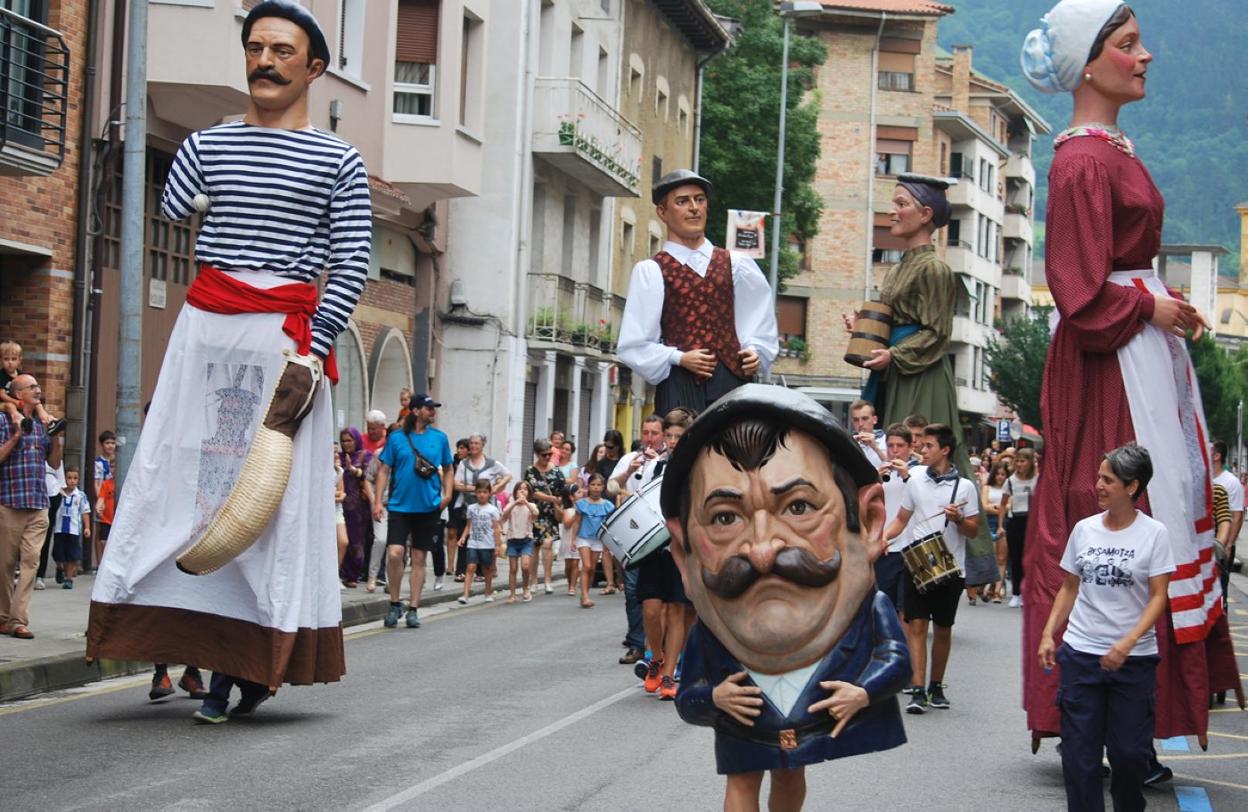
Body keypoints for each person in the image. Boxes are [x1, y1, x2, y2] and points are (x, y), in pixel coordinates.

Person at [86, 0, 369, 724]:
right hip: (207, 331)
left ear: (314, 68)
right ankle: (185, 642)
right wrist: (188, 148)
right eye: (255, 47)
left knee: (269, 502)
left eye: (283, 50)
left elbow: (351, 262)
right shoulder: (207, 144)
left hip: (284, 339)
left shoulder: (339, 160)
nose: (266, 61)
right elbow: (175, 206)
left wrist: (312, 351)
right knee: (185, 481)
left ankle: (250, 659)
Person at [1019, 0, 1230, 757]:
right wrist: (1151, 304)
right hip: (1109, 362)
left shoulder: (1111, 149)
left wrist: (1157, 305)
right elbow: (1077, 288)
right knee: (1115, 504)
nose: (1145, 57)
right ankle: (1105, 711)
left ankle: (1128, 715)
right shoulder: (1082, 158)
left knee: (1152, 508)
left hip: (1135, 348)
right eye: (1130, 44)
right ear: (1091, 61)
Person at [661, 385, 909, 812]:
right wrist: (713, 699)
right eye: (724, 518)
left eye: (798, 508)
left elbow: (897, 661)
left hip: (807, 724)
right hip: (744, 726)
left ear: (868, 523)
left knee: (791, 773)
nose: (761, 552)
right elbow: (689, 696)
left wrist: (863, 693)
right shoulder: (712, 633)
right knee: (741, 780)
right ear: (684, 554)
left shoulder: (871, 614)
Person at [1038, 444, 1174, 812]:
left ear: (1132, 487)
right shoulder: (1084, 530)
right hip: (1082, 655)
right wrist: (1050, 632)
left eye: (1107, 479)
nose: (1096, 485)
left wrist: (1128, 643)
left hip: (1134, 663)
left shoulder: (1154, 534)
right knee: (1079, 758)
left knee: (1129, 756)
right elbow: (1069, 585)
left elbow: (1159, 597)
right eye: (1098, 477)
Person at [618, 169, 779, 416]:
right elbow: (634, 344)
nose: (694, 208)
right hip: (679, 386)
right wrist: (678, 358)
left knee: (738, 450)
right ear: (662, 212)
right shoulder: (652, 270)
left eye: (700, 199)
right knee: (683, 451)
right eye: (682, 201)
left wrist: (755, 351)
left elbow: (759, 320)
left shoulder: (737, 264)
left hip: (732, 383)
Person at [884, 423, 979, 714]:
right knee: (916, 625)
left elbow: (973, 531)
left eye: (927, 446)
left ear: (945, 450)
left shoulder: (964, 487)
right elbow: (901, 519)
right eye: (920, 445)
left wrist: (960, 519)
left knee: (943, 629)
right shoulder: (914, 481)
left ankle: (936, 685)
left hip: (950, 569)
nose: (921, 450)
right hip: (917, 563)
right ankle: (918, 689)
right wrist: (880, 540)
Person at [374, 394, 454, 629]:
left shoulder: (440, 439)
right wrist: (378, 502)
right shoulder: (397, 438)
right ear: (416, 411)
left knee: (419, 558)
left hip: (428, 507)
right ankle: (395, 602)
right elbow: (383, 470)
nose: (434, 413)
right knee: (395, 554)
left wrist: (447, 494)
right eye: (430, 409)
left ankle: (413, 608)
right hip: (400, 506)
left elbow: (449, 468)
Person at [634, 407, 696, 700]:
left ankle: (669, 674)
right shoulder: (652, 467)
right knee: (650, 609)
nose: (672, 441)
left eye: (678, 436)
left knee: (677, 611)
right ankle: (656, 657)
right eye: (669, 436)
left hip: (682, 547)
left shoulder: (698, 468)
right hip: (654, 547)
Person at [0, 374, 64, 639]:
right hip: (9, 503)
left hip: (38, 505)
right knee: (4, 564)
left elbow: (55, 464)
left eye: (38, 386)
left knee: (30, 562)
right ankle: (3, 617)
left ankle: (18, 620)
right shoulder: (4, 421)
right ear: (18, 395)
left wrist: (57, 438)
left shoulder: (42, 423)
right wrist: (16, 436)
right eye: (32, 387)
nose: (38, 390)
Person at [610, 414, 663, 664]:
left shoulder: (666, 460)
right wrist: (627, 473)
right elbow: (610, 487)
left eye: (654, 433)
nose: (649, 438)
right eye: (645, 432)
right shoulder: (629, 459)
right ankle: (636, 644)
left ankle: (656, 645)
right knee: (632, 590)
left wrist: (659, 464)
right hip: (633, 531)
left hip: (659, 533)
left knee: (657, 593)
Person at [873, 423, 917, 620]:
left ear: (910, 448)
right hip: (887, 547)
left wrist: (907, 476)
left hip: (912, 547)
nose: (895, 451)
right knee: (884, 605)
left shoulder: (919, 475)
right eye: (891, 446)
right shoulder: (878, 473)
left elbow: (924, 502)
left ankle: (903, 649)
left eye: (900, 446)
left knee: (906, 610)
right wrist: (875, 481)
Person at [523, 438, 565, 595]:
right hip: (534, 513)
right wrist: (552, 498)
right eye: (544, 455)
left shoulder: (556, 471)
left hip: (550, 514)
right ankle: (533, 581)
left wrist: (560, 499)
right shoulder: (530, 471)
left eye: (549, 454)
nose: (547, 457)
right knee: (534, 547)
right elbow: (533, 492)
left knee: (547, 545)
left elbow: (562, 490)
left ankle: (547, 580)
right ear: (537, 454)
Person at [0, 341, 62, 434]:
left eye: (13, 359)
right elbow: (2, 394)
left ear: (19, 360)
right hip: (6, 403)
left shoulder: (21, 375)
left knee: (37, 403)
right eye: (6, 359)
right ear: (1, 360)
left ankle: (49, 421)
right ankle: (20, 421)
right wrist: (15, 402)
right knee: (10, 406)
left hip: (21, 401)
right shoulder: (1, 375)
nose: (10, 362)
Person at [457, 479, 502, 605]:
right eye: (479, 492)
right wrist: (463, 537)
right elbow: (468, 525)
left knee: (486, 569)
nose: (482, 494)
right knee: (470, 567)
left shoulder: (493, 510)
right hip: (473, 543)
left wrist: (497, 545)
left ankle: (487, 592)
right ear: (475, 493)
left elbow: (496, 528)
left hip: (487, 544)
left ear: (489, 493)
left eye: (485, 492)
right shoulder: (471, 508)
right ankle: (465, 594)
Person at [337, 427, 372, 587]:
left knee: (356, 540)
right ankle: (342, 572)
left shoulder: (364, 456)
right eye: (343, 441)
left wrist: (354, 470)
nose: (346, 444)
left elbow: (368, 476)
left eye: (349, 440)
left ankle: (354, 574)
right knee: (341, 539)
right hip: (339, 504)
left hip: (358, 506)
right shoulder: (338, 458)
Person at [573, 474, 614, 609]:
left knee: (592, 569)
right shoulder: (582, 503)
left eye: (598, 485)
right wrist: (573, 539)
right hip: (583, 537)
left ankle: (585, 593)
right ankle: (584, 596)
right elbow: (577, 522)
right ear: (588, 486)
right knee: (587, 566)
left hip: (598, 539)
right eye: (593, 485)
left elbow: (609, 526)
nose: (596, 488)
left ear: (603, 487)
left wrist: (608, 542)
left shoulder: (608, 505)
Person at [1005, 448, 1037, 608]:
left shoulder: (1037, 480)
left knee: (1030, 558)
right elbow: (1004, 502)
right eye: (1017, 461)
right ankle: (1016, 593)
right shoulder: (1011, 480)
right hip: (1015, 521)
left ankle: (1028, 592)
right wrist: (1000, 526)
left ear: (1030, 462)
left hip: (1033, 522)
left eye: (1023, 461)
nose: (1019, 464)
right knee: (1016, 558)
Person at [1210, 441, 1242, 596]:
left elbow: (1236, 516)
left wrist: (1227, 546)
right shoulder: (1204, 480)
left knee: (1220, 592)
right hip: (1205, 547)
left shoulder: (1231, 483)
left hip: (1220, 547)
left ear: (1217, 456)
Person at [51, 465, 90, 589]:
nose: (72, 481)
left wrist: (87, 527)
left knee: (71, 555)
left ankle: (68, 579)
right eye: (69, 478)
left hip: (73, 530)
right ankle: (59, 567)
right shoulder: (58, 493)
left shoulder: (80, 495)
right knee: (57, 553)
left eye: (75, 478)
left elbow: (85, 511)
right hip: (59, 528)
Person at [501, 480, 538, 603]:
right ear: (515, 492)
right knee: (513, 568)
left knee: (525, 566)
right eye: (520, 489)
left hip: (526, 540)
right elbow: (504, 516)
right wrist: (514, 503)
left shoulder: (531, 505)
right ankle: (512, 594)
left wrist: (525, 502)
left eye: (525, 489)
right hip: (512, 539)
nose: (522, 491)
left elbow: (535, 514)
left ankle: (526, 588)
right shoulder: (511, 505)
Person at [982, 462, 1011, 604]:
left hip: (1004, 523)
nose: (1000, 477)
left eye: (1003, 474)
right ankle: (989, 585)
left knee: (1002, 559)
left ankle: (998, 590)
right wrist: (1000, 508)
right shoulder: (987, 487)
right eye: (998, 474)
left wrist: (995, 507)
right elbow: (984, 506)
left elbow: (1010, 505)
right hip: (989, 523)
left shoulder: (1009, 487)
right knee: (991, 557)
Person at [37, 460, 65, 590]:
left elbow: (61, 481)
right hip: (33, 495)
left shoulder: (55, 455)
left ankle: (40, 576)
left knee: (45, 538)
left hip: (52, 496)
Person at [91, 430, 117, 571]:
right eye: (107, 443)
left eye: (113, 443)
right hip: (103, 498)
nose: (110, 446)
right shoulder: (99, 462)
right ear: (102, 445)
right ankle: (100, 562)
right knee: (100, 531)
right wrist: (99, 499)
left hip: (113, 498)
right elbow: (97, 482)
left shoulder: (118, 460)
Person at [446, 437, 471, 582]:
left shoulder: (470, 463)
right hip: (452, 498)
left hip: (465, 500)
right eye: (459, 448)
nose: (460, 451)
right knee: (451, 531)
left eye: (463, 448)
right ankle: (450, 565)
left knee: (463, 533)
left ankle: (462, 564)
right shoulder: (452, 463)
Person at [559, 482, 581, 596]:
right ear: (571, 496)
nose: (581, 494)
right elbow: (567, 524)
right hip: (567, 539)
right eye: (578, 492)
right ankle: (569, 583)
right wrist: (576, 513)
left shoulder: (584, 507)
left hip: (578, 538)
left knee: (575, 563)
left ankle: (573, 586)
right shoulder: (567, 510)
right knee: (568, 565)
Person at [849, 400, 886, 469]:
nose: (860, 424)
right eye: (856, 420)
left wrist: (875, 447)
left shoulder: (887, 441)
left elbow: (895, 467)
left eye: (865, 418)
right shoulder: (849, 442)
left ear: (874, 420)